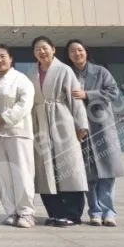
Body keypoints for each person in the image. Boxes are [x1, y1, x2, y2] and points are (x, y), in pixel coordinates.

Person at [31, 35, 89, 227]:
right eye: (38, 49)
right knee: (45, 169)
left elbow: (75, 99)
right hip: (40, 121)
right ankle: (55, 212)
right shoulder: (32, 73)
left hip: (62, 119)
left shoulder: (64, 70)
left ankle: (73, 214)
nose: (42, 51)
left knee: (69, 166)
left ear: (53, 49)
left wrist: (81, 125)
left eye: (45, 48)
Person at [66, 40, 124, 227]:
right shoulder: (68, 74)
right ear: (68, 55)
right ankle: (95, 212)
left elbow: (113, 92)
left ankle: (109, 212)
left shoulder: (100, 72)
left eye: (79, 50)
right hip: (80, 129)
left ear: (86, 52)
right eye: (73, 51)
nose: (77, 54)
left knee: (107, 173)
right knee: (88, 174)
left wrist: (88, 94)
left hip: (102, 127)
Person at [0, 44, 36, 228]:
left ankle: (26, 212)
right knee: (4, 175)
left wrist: (3, 118)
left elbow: (25, 104)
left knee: (22, 173)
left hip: (17, 132)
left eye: (2, 56)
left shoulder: (21, 79)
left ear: (10, 58)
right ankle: (11, 211)